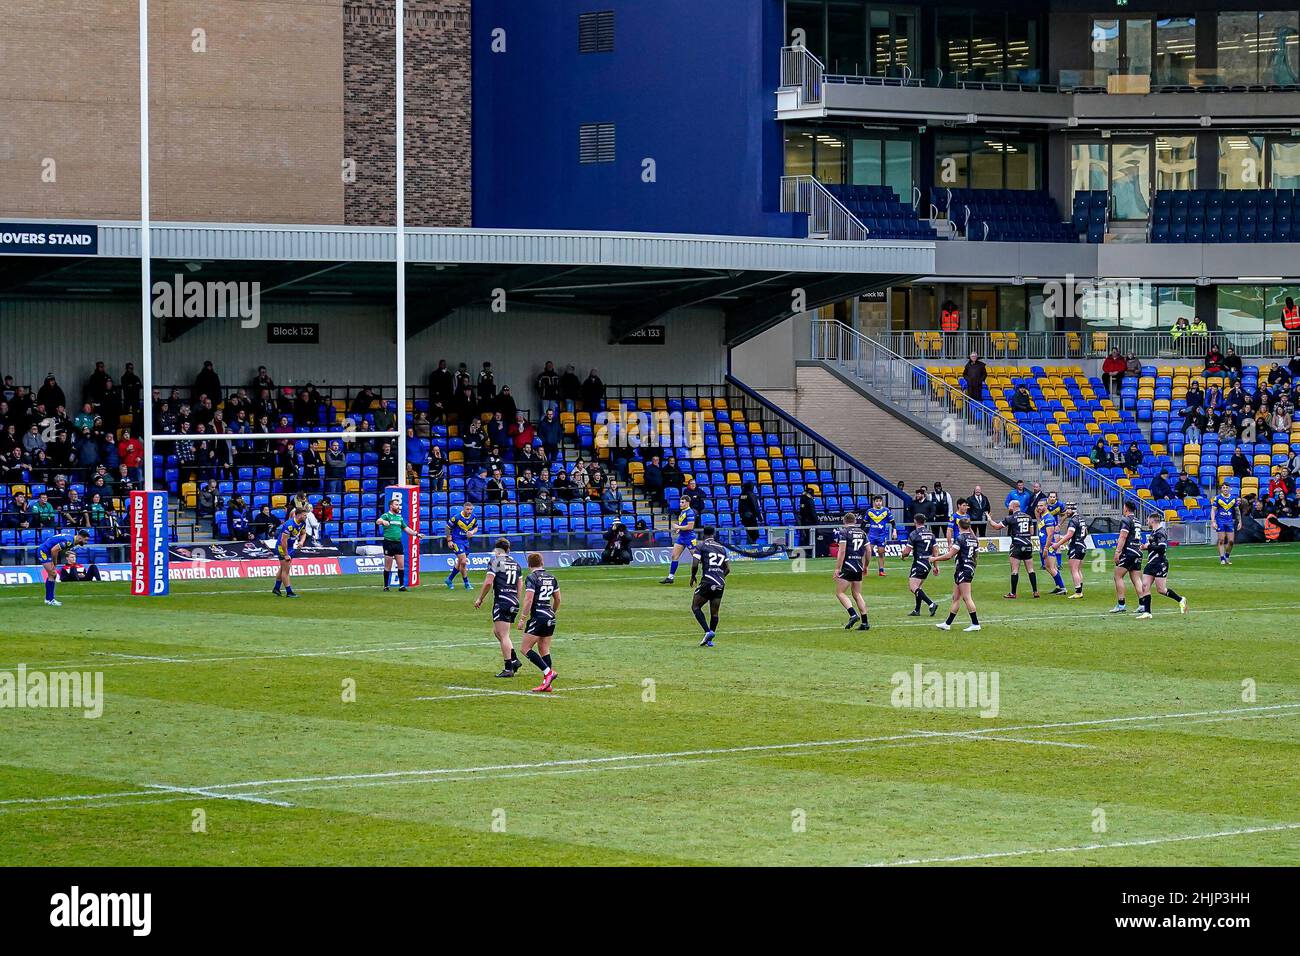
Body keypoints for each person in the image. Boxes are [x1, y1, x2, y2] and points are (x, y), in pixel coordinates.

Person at [474, 538, 524, 678]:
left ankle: (508, 667)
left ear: (497, 550)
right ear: (508, 550)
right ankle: (514, 660)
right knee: (497, 632)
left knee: (503, 635)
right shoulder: (515, 563)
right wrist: (516, 599)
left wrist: (480, 598)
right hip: (512, 600)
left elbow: (489, 582)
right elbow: (520, 584)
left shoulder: (496, 562)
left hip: (502, 600)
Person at [517, 552, 560, 692]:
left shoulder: (532, 577)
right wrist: (551, 612)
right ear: (542, 563)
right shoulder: (552, 577)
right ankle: (547, 684)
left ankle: (548, 672)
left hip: (538, 616)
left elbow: (529, 599)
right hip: (549, 616)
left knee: (524, 648)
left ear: (529, 565)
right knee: (544, 649)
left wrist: (523, 618)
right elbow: (558, 599)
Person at [1135, 513, 1188, 620]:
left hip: (1160, 563)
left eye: (1148, 519)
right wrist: (1145, 547)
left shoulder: (1161, 532)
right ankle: (1147, 612)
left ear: (1153, 520)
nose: (1147, 521)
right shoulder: (1153, 532)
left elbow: (1162, 548)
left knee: (1161, 590)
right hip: (1151, 563)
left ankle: (1181, 599)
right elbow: (1154, 547)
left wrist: (1149, 546)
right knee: (1145, 586)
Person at [932, 516, 981, 632]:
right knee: (956, 597)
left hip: (963, 568)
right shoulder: (974, 539)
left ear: (958, 526)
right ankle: (947, 623)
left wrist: (934, 558)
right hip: (966, 568)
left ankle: (975, 623)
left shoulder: (960, 538)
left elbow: (949, 555)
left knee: (967, 597)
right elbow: (976, 556)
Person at [689, 527, 731, 647]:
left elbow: (695, 564)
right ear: (713, 534)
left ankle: (708, 631)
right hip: (720, 583)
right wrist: (720, 577)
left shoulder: (701, 546)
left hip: (707, 581)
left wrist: (693, 576)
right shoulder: (722, 548)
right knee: (715, 613)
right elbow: (728, 568)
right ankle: (710, 639)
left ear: (703, 535)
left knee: (695, 606)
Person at [989, 499, 1038, 599]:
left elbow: (996, 527)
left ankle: (1013, 593)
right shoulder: (1028, 517)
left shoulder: (1010, 518)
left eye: (1010, 506)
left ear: (1014, 506)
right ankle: (1035, 591)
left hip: (1017, 546)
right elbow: (1032, 532)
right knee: (1031, 569)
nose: (1008, 508)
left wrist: (989, 519)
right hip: (1028, 545)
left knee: (1015, 570)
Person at [832, 513, 869, 631]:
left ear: (844, 521)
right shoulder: (863, 533)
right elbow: (868, 550)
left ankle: (853, 614)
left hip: (848, 565)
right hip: (858, 566)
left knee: (840, 593)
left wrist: (837, 568)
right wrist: (866, 565)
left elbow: (842, 551)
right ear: (855, 521)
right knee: (857, 594)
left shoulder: (844, 532)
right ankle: (865, 622)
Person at [375, 496, 418, 592]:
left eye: (399, 505)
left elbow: (406, 529)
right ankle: (386, 586)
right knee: (388, 566)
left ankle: (401, 585)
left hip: (398, 543)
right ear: (391, 506)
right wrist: (383, 521)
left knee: (401, 565)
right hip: (388, 543)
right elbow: (378, 521)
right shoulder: (386, 515)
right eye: (396, 505)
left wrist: (416, 534)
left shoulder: (399, 518)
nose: (398, 506)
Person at [900, 513, 939, 616]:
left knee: (913, 587)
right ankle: (917, 610)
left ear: (915, 521)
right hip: (928, 563)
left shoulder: (914, 534)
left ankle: (931, 604)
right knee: (918, 586)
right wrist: (936, 566)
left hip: (919, 563)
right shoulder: (931, 534)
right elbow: (935, 552)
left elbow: (907, 552)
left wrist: (903, 555)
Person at [37, 529, 89, 606]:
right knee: (53, 574)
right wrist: (55, 562)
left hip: (47, 551)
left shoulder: (71, 539)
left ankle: (49, 599)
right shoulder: (69, 541)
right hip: (44, 551)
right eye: (85, 540)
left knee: (52, 575)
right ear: (80, 538)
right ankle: (50, 599)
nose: (86, 542)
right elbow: (54, 550)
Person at [1110, 499, 1145, 614]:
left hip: (1128, 552)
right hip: (1137, 551)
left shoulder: (1125, 520)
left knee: (1118, 576)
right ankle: (1142, 604)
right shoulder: (1137, 521)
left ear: (1125, 508)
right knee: (1136, 578)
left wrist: (1117, 552)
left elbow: (1123, 536)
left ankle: (1121, 604)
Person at [659, 493, 699, 584]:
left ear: (688, 503)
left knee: (697, 557)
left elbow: (690, 526)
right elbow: (683, 525)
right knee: (674, 556)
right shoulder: (683, 512)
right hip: (682, 537)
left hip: (689, 537)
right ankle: (670, 577)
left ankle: (710, 570)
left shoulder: (690, 513)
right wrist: (679, 529)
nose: (680, 504)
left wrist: (678, 527)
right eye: (680, 502)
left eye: (682, 502)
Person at [272, 505, 310, 598]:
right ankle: (289, 592)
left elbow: (304, 533)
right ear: (299, 515)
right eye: (304, 515)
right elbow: (283, 541)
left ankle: (276, 588)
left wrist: (301, 541)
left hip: (290, 546)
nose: (306, 517)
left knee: (283, 568)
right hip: (282, 547)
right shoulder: (289, 525)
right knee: (286, 570)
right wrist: (285, 554)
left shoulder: (302, 523)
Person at [1051, 502, 1088, 598]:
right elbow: (1086, 532)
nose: (1066, 511)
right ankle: (1080, 590)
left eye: (1068, 509)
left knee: (1074, 570)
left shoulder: (1073, 521)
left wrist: (1057, 544)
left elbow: (1069, 535)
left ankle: (1078, 592)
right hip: (1082, 546)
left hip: (1076, 547)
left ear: (1072, 509)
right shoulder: (1081, 519)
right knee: (1078, 570)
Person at [1035, 499, 1067, 595]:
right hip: (1045, 545)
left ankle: (1062, 588)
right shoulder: (1043, 517)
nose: (1039, 507)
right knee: (1050, 567)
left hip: (1048, 546)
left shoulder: (1048, 518)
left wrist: (1045, 548)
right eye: (1038, 506)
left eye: (1041, 506)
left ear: (1046, 506)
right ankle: (1059, 586)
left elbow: (1050, 535)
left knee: (1050, 567)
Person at [445, 502, 478, 590]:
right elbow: (448, 528)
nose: (469, 511)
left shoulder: (474, 517)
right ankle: (466, 583)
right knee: (463, 561)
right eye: (467, 509)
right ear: (463, 509)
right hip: (456, 540)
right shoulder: (456, 517)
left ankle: (449, 579)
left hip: (465, 541)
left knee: (460, 562)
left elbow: (476, 527)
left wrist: (472, 532)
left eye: (471, 509)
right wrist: (449, 540)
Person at [864, 495, 894, 576]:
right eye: (877, 501)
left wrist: (894, 531)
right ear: (874, 502)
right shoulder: (869, 511)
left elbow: (892, 522)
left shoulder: (886, 511)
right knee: (868, 552)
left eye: (880, 501)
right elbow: (864, 523)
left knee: (881, 553)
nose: (878, 503)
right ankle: (865, 568)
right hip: (871, 535)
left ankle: (881, 570)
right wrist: (862, 532)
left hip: (881, 536)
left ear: (882, 502)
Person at [1212, 482, 1240, 566]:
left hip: (1230, 521)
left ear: (1229, 489)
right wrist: (1213, 521)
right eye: (1223, 487)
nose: (1225, 489)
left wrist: (1240, 522)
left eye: (1226, 487)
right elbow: (1213, 510)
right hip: (1220, 521)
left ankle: (1227, 556)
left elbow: (1237, 511)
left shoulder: (1233, 499)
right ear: (1221, 489)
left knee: (1231, 541)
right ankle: (1222, 558)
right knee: (1221, 540)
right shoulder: (1217, 498)